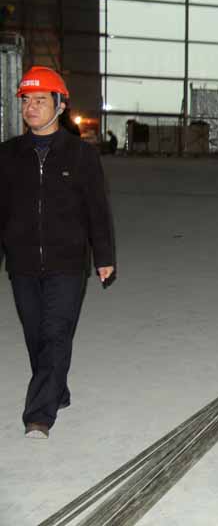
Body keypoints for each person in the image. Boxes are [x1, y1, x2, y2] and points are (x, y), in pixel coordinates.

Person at [0, 66, 116, 439]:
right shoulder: (8, 155)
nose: (31, 107)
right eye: (26, 101)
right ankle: (56, 388)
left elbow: (97, 209)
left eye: (39, 100)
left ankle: (39, 415)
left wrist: (104, 256)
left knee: (55, 333)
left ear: (60, 105)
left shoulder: (81, 155)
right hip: (22, 263)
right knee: (36, 335)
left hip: (67, 262)